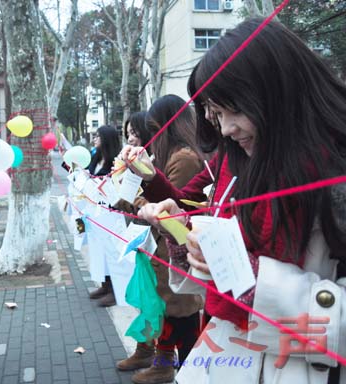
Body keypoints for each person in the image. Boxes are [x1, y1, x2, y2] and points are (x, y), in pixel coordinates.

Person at [130, 18, 346, 383]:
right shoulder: (241, 161)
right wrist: (183, 236)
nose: (226, 128)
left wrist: (255, 282)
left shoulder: (333, 176)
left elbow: (245, 275)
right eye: (216, 114)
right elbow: (225, 267)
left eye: (234, 110)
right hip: (227, 356)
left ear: (277, 93)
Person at [116, 96, 204, 384]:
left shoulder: (185, 158)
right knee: (166, 307)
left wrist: (136, 195)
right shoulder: (168, 156)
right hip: (162, 245)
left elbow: (174, 205)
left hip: (175, 246)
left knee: (181, 311)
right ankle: (163, 361)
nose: (139, 137)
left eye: (146, 130)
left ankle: (187, 369)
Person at [87, 124, 122, 306]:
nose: (94, 139)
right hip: (96, 211)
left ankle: (115, 290)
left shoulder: (117, 161)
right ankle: (105, 284)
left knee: (111, 251)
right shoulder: (95, 156)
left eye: (98, 136)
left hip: (112, 213)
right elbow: (87, 173)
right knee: (99, 249)